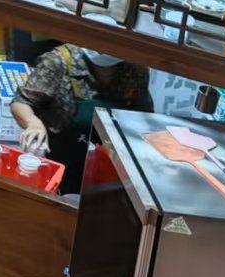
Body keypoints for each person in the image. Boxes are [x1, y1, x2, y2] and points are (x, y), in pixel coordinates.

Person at [11, 41, 150, 193]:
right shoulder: (59, 61)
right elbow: (21, 102)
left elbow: (143, 112)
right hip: (62, 150)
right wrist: (33, 123)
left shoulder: (135, 69)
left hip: (108, 158)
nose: (103, 51)